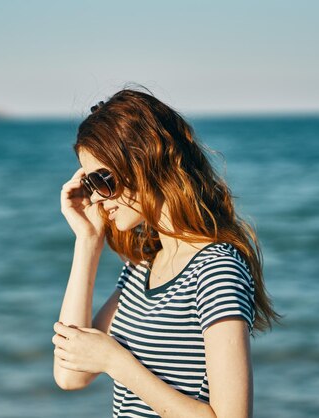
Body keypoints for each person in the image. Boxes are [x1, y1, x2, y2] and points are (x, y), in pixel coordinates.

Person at [51, 87, 279, 418]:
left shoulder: (217, 269)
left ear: (144, 161)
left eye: (102, 180)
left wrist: (116, 362)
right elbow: (70, 374)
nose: (96, 198)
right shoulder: (143, 267)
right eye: (89, 185)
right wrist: (87, 242)